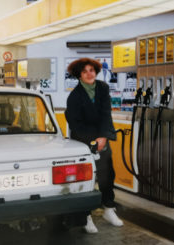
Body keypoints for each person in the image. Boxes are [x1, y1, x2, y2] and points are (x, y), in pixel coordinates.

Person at [65, 58, 123, 233]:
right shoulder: (74, 96)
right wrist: (93, 141)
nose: (89, 73)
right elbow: (75, 123)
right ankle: (85, 217)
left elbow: (106, 114)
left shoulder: (103, 88)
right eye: (84, 71)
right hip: (82, 140)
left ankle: (108, 208)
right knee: (86, 178)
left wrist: (103, 137)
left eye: (91, 70)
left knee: (107, 175)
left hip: (101, 138)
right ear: (79, 75)